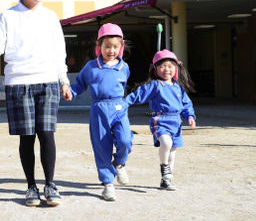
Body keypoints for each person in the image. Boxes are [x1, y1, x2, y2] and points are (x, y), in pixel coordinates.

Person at [0, 0, 71, 207]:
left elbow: (59, 52)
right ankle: (31, 186)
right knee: (27, 137)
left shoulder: (50, 17)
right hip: (19, 82)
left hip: (48, 80)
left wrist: (64, 80)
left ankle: (50, 184)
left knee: (47, 133)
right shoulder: (8, 16)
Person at [64, 23, 132, 201]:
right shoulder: (91, 67)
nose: (111, 50)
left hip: (119, 107)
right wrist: (71, 92)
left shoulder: (124, 67)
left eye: (115, 47)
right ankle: (108, 184)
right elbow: (79, 85)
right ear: (99, 46)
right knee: (102, 147)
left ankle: (119, 163)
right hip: (99, 109)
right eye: (107, 46)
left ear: (121, 48)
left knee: (125, 140)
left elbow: (123, 87)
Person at [124, 49, 196, 190]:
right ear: (155, 69)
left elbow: (186, 104)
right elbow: (139, 94)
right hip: (161, 120)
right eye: (162, 66)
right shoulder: (155, 85)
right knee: (166, 143)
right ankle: (164, 168)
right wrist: (123, 103)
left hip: (177, 122)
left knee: (173, 152)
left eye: (170, 66)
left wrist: (190, 116)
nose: (166, 69)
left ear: (176, 68)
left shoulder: (178, 88)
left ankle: (166, 181)